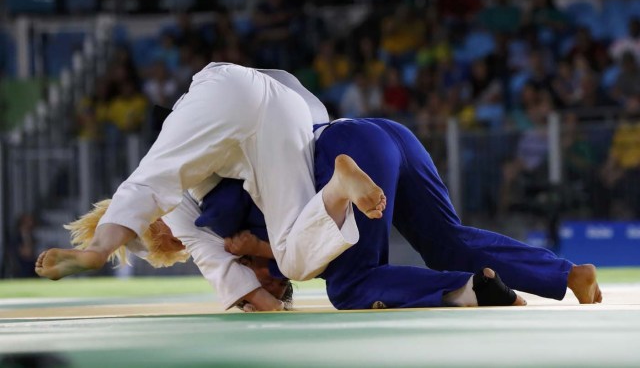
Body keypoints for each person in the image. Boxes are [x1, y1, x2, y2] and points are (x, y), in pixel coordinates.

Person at [35, 62, 386, 288]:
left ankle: (98, 249)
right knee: (292, 252)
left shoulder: (180, 214)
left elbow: (222, 270)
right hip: (275, 102)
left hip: (271, 110)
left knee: (293, 257)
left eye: (173, 245)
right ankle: (341, 184)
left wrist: (260, 297)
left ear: (156, 228)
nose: (181, 247)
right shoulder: (189, 169)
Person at [198, 118, 601, 310]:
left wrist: (244, 240)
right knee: (448, 243)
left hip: (348, 147)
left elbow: (225, 208)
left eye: (264, 282)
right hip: (391, 135)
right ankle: (568, 274)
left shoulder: (234, 215)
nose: (269, 283)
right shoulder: (281, 250)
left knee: (351, 284)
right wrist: (260, 250)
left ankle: (471, 289)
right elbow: (297, 255)